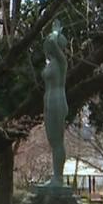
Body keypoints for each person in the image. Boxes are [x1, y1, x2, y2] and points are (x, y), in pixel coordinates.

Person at [42, 20, 68, 187]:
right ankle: (55, 177)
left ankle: (58, 178)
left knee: (58, 140)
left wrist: (55, 32)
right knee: (52, 140)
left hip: (58, 101)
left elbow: (52, 41)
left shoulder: (61, 62)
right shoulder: (51, 63)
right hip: (49, 102)